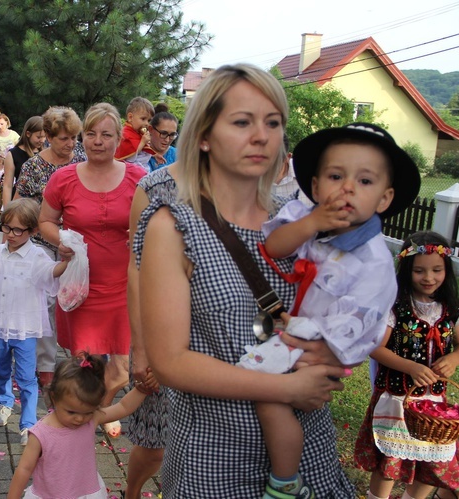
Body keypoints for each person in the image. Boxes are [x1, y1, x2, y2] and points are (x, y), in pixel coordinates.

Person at [136, 64, 354, 497]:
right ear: (203, 136)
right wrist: (285, 386)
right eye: (242, 122)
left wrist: (330, 353)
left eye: (273, 123)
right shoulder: (173, 225)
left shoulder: (296, 222)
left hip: (309, 453)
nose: (262, 136)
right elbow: (171, 362)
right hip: (217, 459)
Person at [238, 122, 421, 497]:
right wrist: (311, 223)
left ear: (384, 199)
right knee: (268, 396)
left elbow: (357, 326)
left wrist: (299, 336)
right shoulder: (304, 215)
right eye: (336, 176)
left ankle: (284, 483)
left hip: (324, 345)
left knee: (268, 397)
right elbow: (274, 247)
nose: (348, 187)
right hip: (290, 331)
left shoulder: (374, 263)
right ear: (317, 187)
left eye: (365, 181)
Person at [39, 102, 146, 437]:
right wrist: (60, 240)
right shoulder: (64, 178)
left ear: (119, 139)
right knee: (85, 361)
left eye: (106, 134)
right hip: (80, 287)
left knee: (122, 368)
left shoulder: (138, 179)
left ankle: (98, 407)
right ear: (82, 137)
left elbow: (159, 222)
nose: (98, 141)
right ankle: (81, 413)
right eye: (91, 134)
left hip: (124, 286)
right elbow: (44, 221)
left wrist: (142, 232)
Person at [354, 231, 459, 498]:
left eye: (437, 270)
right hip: (396, 400)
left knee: (436, 464)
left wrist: (454, 358)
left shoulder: (451, 308)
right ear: (407, 269)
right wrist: (410, 367)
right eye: (419, 270)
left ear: (447, 270)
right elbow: (376, 348)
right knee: (389, 463)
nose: (429, 278)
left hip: (435, 405)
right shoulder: (396, 307)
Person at [0, 198, 69, 445]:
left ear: (33, 231)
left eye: (18, 230)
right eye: (6, 228)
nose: (10, 234)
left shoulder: (37, 255)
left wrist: (67, 261)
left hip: (25, 326)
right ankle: (4, 401)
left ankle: (28, 422)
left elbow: (50, 275)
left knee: (27, 375)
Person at [7, 353, 147, 499]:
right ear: (54, 397)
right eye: (71, 411)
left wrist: (142, 390)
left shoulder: (92, 419)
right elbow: (24, 468)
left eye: (87, 412)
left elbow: (123, 407)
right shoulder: (41, 433)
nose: (80, 418)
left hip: (86, 492)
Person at [16, 106, 86, 390]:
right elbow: (21, 203)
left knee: (76, 300)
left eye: (73, 137)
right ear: (47, 136)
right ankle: (44, 366)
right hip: (43, 243)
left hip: (78, 243)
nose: (71, 144)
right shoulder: (33, 166)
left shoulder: (82, 157)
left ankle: (80, 361)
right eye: (63, 138)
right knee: (44, 304)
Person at [125, 162, 179, 499]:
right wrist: (143, 348)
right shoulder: (155, 185)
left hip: (221, 343)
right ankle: (131, 493)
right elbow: (136, 266)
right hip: (162, 333)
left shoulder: (245, 183)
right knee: (154, 444)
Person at [1, 116, 46, 206]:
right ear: (28, 134)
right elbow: (7, 186)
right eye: (38, 137)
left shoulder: (45, 153)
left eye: (44, 137)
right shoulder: (13, 154)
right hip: (20, 203)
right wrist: (7, 211)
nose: (42, 140)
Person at [114, 96, 156, 170]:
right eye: (143, 119)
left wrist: (154, 155)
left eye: (149, 120)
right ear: (130, 117)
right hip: (131, 171)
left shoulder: (138, 132)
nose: (146, 123)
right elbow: (130, 158)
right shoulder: (125, 134)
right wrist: (143, 142)